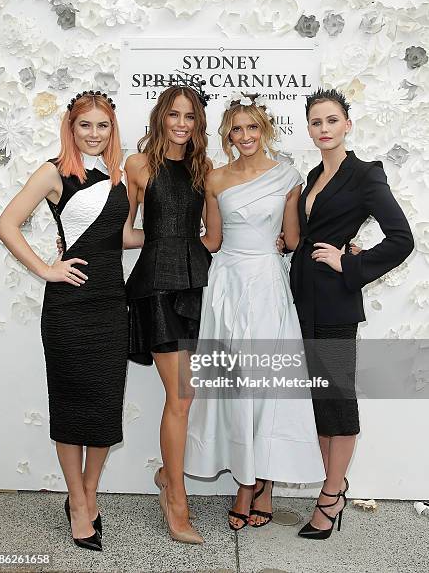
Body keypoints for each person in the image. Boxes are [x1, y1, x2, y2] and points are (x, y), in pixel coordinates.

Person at [0, 91, 143, 551]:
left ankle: (90, 491)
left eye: (103, 126)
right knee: (70, 406)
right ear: (71, 128)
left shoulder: (119, 176)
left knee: (103, 408)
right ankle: (77, 502)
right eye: (86, 126)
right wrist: (46, 268)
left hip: (109, 306)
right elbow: (6, 224)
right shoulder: (54, 172)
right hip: (67, 309)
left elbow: (120, 237)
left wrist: (180, 235)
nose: (94, 134)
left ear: (111, 130)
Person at [184, 92, 326, 531]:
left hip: (266, 283)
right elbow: (212, 239)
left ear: (264, 129)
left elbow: (293, 237)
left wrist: (290, 245)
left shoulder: (288, 176)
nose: (245, 136)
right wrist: (161, 247)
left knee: (265, 382)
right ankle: (249, 479)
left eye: (251, 127)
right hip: (226, 284)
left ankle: (255, 486)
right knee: (233, 384)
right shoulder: (215, 177)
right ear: (227, 136)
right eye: (236, 129)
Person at [288, 87, 414, 539]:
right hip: (304, 298)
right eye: (316, 122)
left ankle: (332, 494)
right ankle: (331, 487)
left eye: (331, 120)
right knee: (321, 401)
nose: (324, 129)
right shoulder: (312, 174)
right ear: (309, 129)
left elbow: (402, 239)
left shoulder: (365, 175)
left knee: (337, 400)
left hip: (336, 301)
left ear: (348, 124)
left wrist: (352, 263)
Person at [124, 84, 211, 544]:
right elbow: (122, 231)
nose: (181, 123)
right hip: (157, 286)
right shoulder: (138, 166)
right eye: (173, 115)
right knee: (180, 397)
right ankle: (175, 499)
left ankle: (166, 476)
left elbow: (213, 237)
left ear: (197, 124)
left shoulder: (203, 169)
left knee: (186, 396)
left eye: (189, 116)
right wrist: (161, 240)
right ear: (160, 118)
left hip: (197, 285)